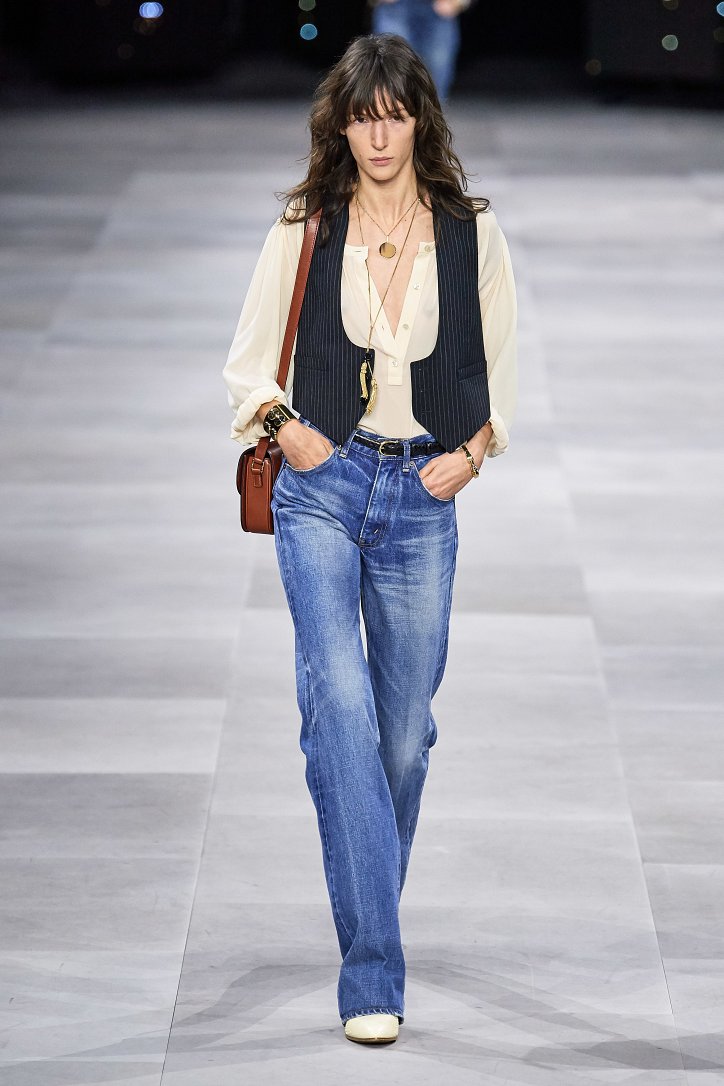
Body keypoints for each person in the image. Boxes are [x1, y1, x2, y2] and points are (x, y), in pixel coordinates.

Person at [222, 32, 517, 1045]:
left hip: (424, 493)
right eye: (362, 117)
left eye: (394, 115)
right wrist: (287, 428)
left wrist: (472, 454)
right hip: (322, 485)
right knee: (340, 709)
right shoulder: (306, 226)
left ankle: (364, 906)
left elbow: (503, 366)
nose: (379, 136)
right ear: (340, 127)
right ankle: (373, 973)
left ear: (420, 120)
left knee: (401, 735)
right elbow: (247, 363)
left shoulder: (471, 232)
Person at [370, 0, 474, 101]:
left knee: (436, 68)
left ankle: (429, 111)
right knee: (392, 60)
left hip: (439, 8)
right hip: (395, 7)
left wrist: (458, 2)